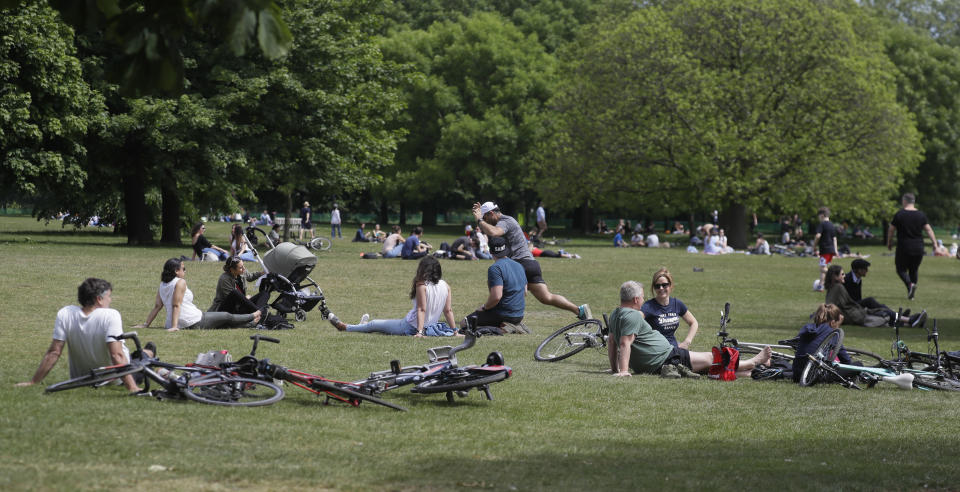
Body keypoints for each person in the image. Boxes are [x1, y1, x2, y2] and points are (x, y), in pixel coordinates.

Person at [608, 280, 770, 377]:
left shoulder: (615, 314)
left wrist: (615, 369)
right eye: (642, 297)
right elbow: (624, 343)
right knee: (711, 358)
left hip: (659, 359)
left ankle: (749, 372)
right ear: (636, 299)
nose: (643, 300)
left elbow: (611, 342)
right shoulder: (633, 315)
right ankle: (752, 362)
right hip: (665, 357)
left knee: (708, 369)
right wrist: (623, 371)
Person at [16, 278, 144, 392]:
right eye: (108, 296)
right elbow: (117, 355)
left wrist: (33, 382)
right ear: (99, 299)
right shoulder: (111, 315)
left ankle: (146, 353)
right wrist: (132, 387)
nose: (110, 300)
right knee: (145, 359)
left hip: (81, 378)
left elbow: (54, 353)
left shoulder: (65, 313)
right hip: (113, 378)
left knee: (141, 355)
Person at [472, 201, 591, 321]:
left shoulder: (505, 221)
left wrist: (479, 220)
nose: (485, 221)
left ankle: (504, 319)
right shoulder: (505, 221)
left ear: (492, 213)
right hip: (530, 263)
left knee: (497, 285)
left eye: (486, 218)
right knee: (546, 297)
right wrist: (480, 216)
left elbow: (493, 232)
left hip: (520, 264)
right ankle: (579, 310)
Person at [328, 256, 457, 337]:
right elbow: (448, 311)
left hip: (410, 326)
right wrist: (455, 331)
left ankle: (345, 327)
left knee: (374, 324)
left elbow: (421, 309)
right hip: (429, 327)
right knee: (375, 325)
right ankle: (360, 325)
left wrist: (419, 332)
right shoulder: (446, 285)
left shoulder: (421, 284)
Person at [135, 258, 262, 332]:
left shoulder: (163, 284)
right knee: (226, 316)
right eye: (183, 269)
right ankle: (253, 316)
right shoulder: (180, 282)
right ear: (176, 271)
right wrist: (174, 327)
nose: (185, 271)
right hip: (192, 321)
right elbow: (176, 305)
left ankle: (250, 323)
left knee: (221, 321)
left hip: (191, 317)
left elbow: (157, 306)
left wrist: (146, 324)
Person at [823, 264, 924, 328]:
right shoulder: (838, 287)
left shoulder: (834, 287)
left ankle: (907, 321)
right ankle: (908, 320)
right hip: (854, 315)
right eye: (842, 274)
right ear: (835, 276)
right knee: (882, 315)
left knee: (880, 312)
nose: (844, 275)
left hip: (853, 312)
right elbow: (831, 306)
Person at [461, 236, 527, 330]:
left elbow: (496, 297)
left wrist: (484, 308)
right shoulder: (519, 265)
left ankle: (502, 328)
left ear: (491, 251)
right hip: (519, 316)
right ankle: (510, 325)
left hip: (503, 315)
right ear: (506, 249)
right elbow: (525, 292)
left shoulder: (495, 268)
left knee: (464, 324)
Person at [887, 193, 939, 299]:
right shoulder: (921, 215)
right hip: (918, 247)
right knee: (913, 270)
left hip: (904, 246)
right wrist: (935, 243)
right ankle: (911, 294)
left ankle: (910, 285)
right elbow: (928, 229)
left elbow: (891, 230)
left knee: (900, 269)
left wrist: (889, 242)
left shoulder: (899, 214)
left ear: (904, 201)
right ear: (913, 201)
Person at [791, 304, 855, 383]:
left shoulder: (806, 328)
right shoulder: (833, 333)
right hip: (815, 377)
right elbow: (846, 361)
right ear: (833, 322)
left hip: (797, 375)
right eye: (838, 323)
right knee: (858, 365)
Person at [640, 268, 699, 349]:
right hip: (656, 350)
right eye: (657, 286)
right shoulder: (648, 306)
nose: (661, 288)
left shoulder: (676, 304)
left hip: (673, 347)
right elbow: (635, 320)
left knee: (707, 358)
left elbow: (693, 323)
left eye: (664, 285)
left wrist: (687, 342)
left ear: (670, 285)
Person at [812, 207, 838, 292]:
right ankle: (821, 286)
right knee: (824, 268)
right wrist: (836, 250)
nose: (818, 218)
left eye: (819, 216)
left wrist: (814, 245)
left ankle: (836, 277)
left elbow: (817, 236)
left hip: (825, 250)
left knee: (822, 268)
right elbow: (834, 238)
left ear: (822, 215)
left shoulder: (822, 224)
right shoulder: (832, 225)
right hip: (831, 250)